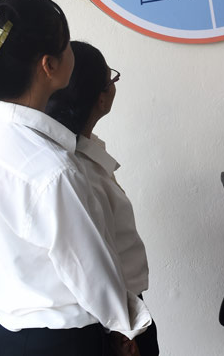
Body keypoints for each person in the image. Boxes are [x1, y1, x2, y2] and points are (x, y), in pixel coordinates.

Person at [0, 0, 150, 356]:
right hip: (64, 342)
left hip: (7, 337)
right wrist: (125, 330)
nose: (72, 50)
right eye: (66, 45)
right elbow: (92, 271)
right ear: (49, 66)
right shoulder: (54, 171)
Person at [47, 42, 160, 356]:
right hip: (117, 325)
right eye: (112, 79)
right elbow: (90, 266)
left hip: (123, 312)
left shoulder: (83, 150)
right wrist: (123, 329)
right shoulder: (73, 172)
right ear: (101, 97)